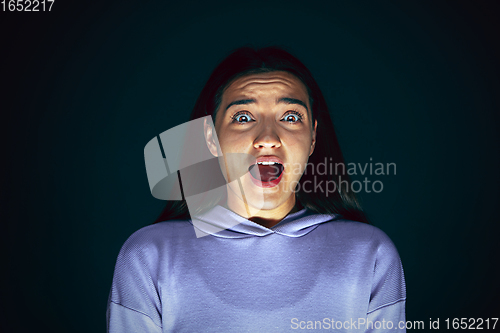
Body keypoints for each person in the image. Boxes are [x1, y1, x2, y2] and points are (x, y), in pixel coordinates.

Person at [106, 46, 406, 332]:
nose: (267, 137)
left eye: (290, 117)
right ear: (210, 139)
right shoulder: (149, 257)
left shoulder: (371, 255)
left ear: (313, 138)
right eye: (243, 117)